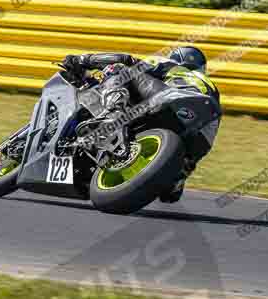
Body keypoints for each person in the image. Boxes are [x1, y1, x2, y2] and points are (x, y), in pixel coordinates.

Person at [60, 46, 221, 203]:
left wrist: (82, 60)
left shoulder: (171, 65)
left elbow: (125, 59)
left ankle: (114, 112)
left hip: (170, 98)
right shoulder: (210, 90)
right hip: (201, 125)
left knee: (120, 69)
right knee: (175, 181)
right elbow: (205, 143)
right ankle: (177, 178)